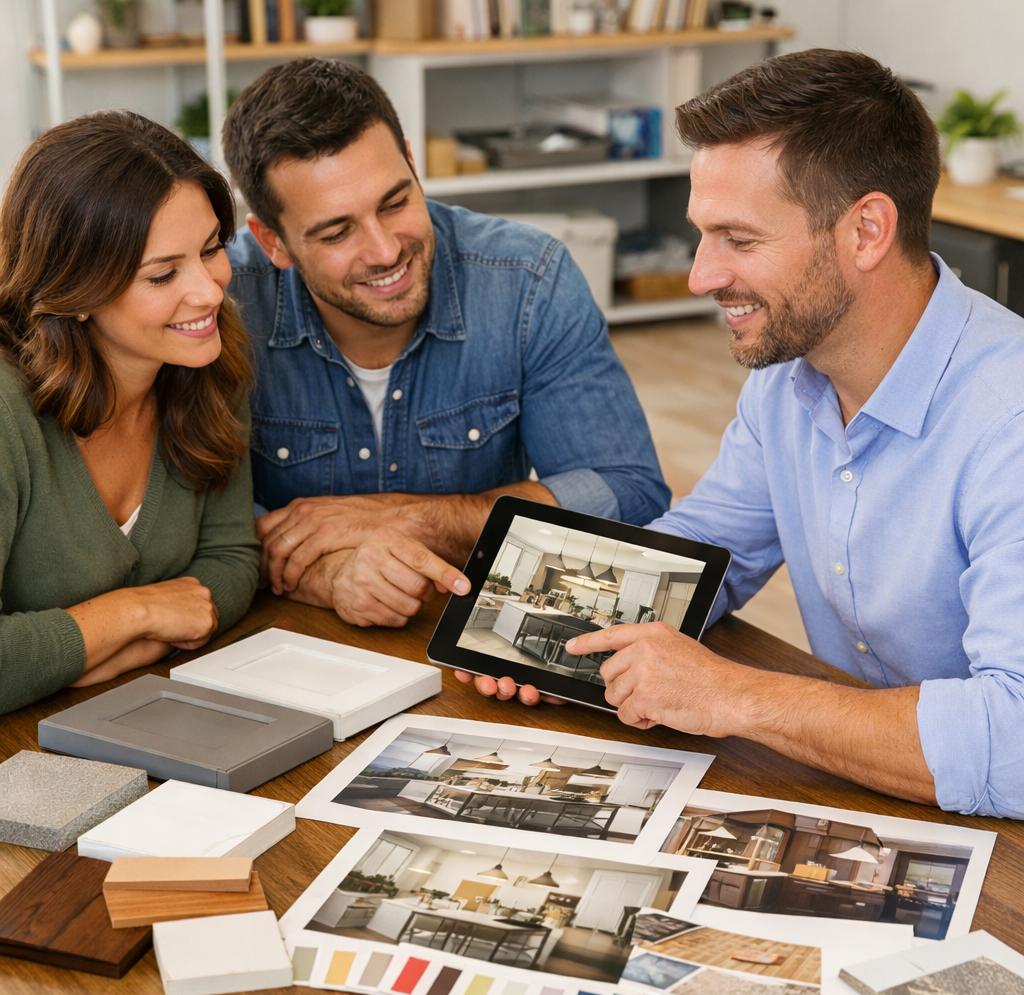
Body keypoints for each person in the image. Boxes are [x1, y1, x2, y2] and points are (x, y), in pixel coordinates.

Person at [463, 49, 1024, 819]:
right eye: (702, 235)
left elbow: (1016, 738)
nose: (700, 275)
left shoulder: (1009, 423)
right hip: (869, 793)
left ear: (865, 231)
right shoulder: (787, 379)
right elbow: (708, 547)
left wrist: (731, 695)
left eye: (739, 239)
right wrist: (561, 639)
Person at [222, 58, 670, 629]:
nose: (385, 251)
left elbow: (627, 493)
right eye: (337, 231)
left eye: (395, 202)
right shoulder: (222, 303)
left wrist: (407, 520)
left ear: (413, 165)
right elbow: (187, 527)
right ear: (273, 242)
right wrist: (327, 575)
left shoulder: (528, 278)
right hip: (282, 639)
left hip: (476, 643)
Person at [0, 111, 260, 714]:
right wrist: (132, 613)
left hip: (136, 717)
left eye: (212, 249)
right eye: (163, 274)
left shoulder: (206, 357)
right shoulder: (7, 413)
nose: (209, 292)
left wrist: (114, 650)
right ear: (78, 291)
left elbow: (231, 558)